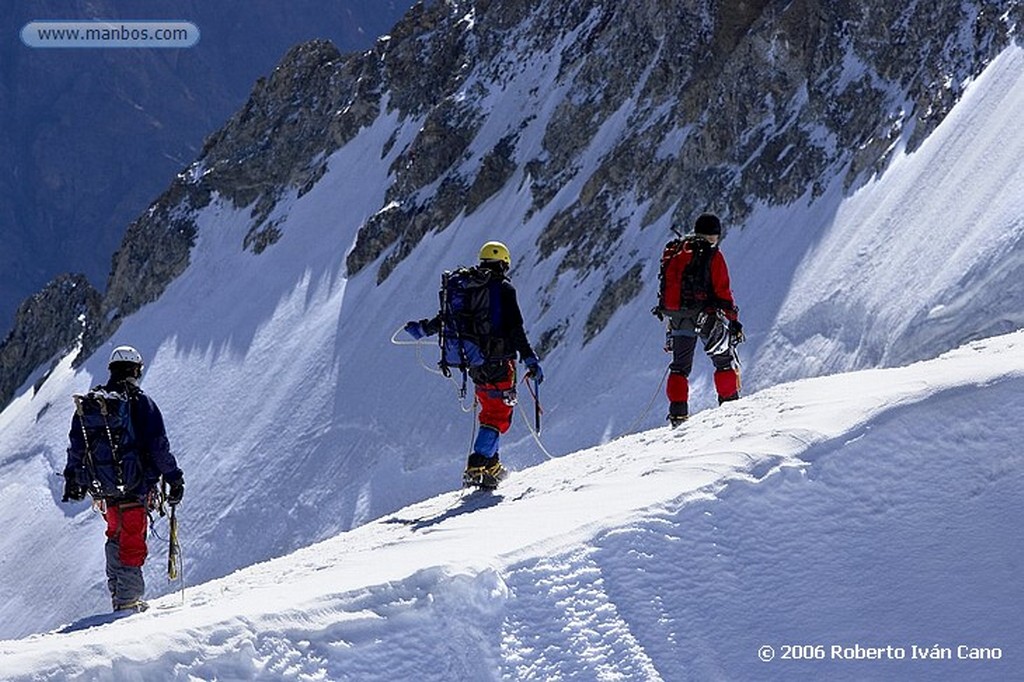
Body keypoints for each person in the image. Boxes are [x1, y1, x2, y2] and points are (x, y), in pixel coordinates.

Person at [404, 241, 543, 488]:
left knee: (489, 410)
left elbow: (448, 320)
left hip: (475, 362)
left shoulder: (466, 287)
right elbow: (515, 329)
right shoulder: (504, 289)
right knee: (499, 415)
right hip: (500, 362)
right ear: (504, 262)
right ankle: (477, 464)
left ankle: (492, 466)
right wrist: (530, 359)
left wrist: (423, 329)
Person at [61, 345, 185, 613]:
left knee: (115, 536)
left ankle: (119, 595)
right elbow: (158, 446)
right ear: (135, 370)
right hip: (135, 486)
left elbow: (77, 445)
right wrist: (174, 477)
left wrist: (73, 477)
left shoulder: (94, 405)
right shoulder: (139, 403)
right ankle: (128, 603)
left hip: (106, 490)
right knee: (131, 539)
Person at [654, 213, 744, 426]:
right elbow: (723, 291)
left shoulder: (678, 250)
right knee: (723, 362)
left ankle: (678, 415)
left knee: (679, 367)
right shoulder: (712, 255)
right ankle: (729, 407)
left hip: (676, 316)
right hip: (706, 316)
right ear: (714, 234)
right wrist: (733, 320)